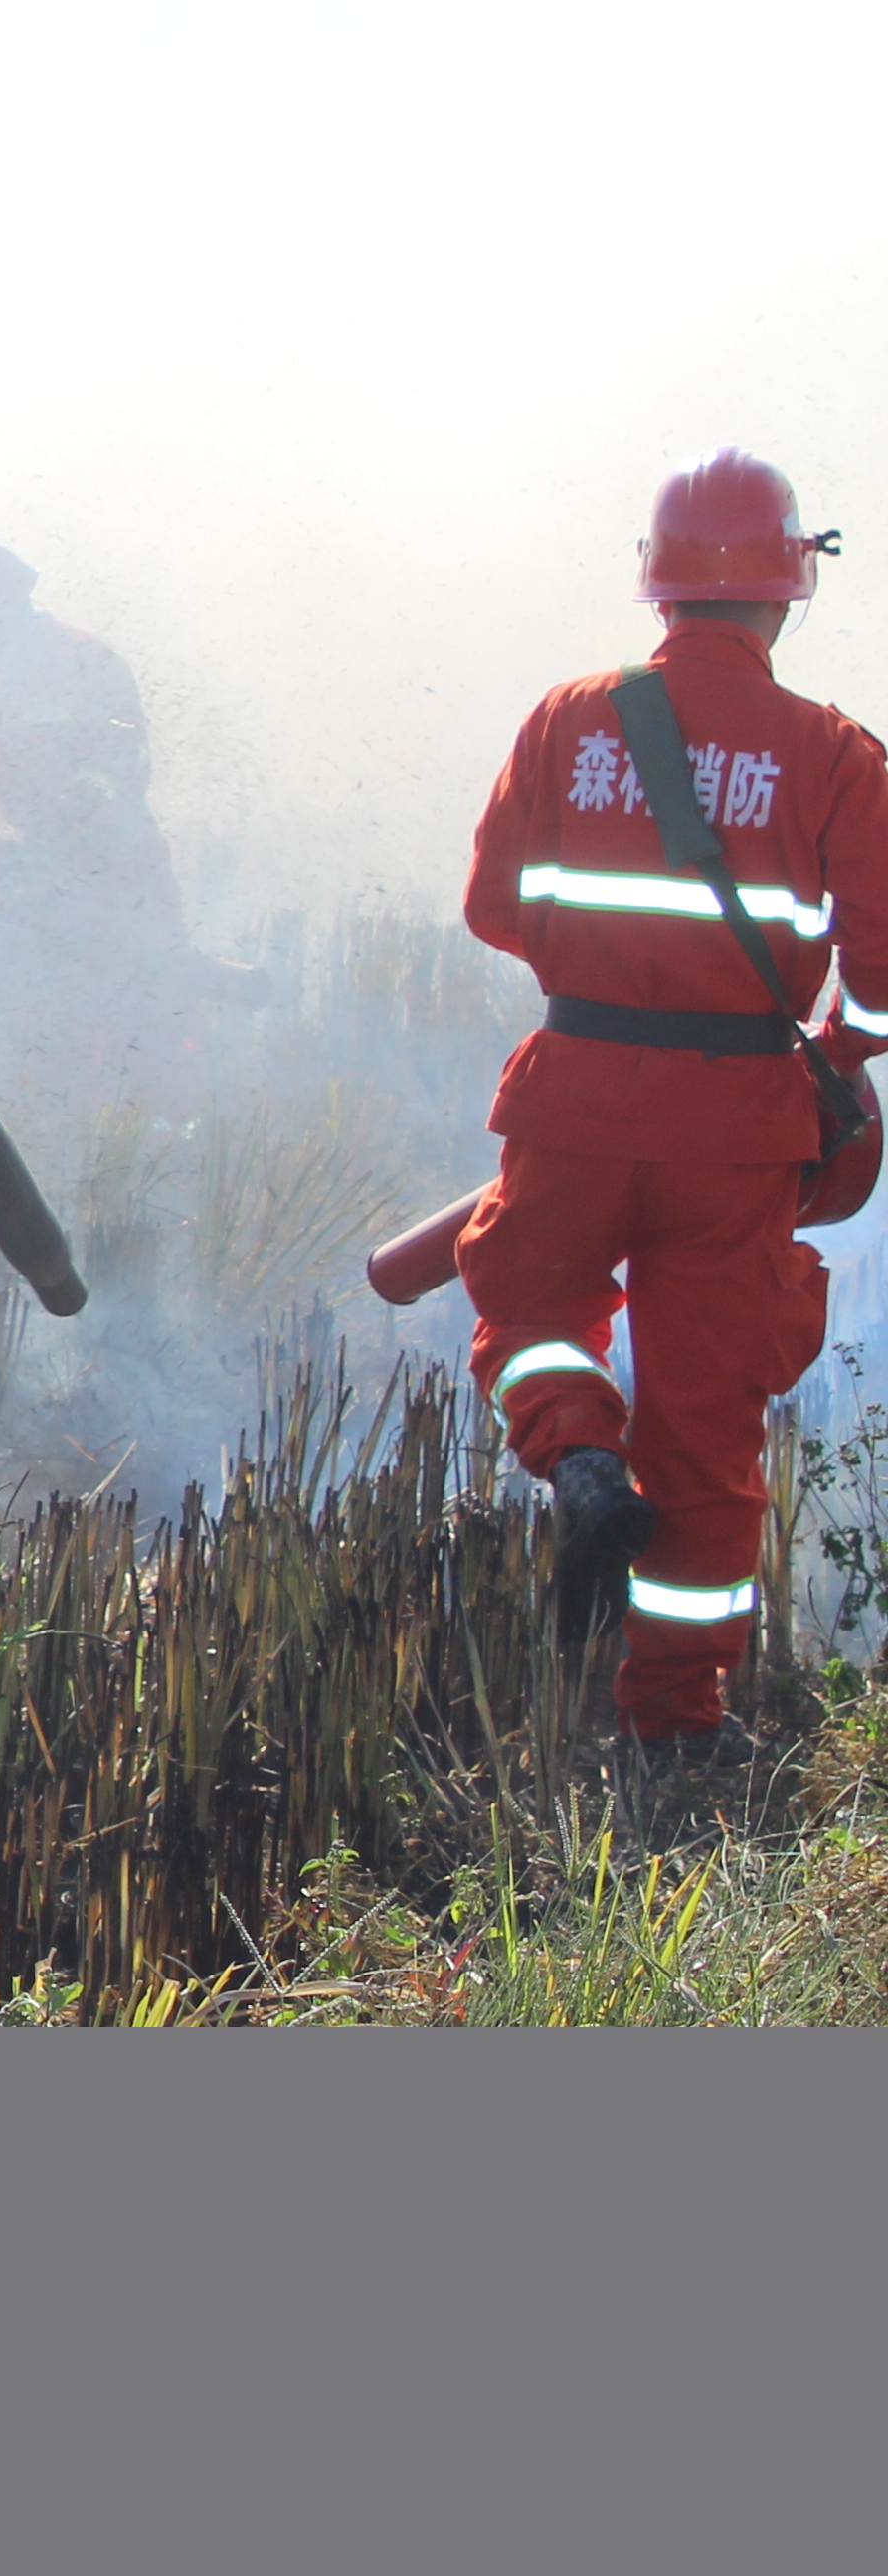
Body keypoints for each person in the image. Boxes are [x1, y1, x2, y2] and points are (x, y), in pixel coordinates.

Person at [457, 453, 888, 1770]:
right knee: (706, 1430)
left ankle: (578, 1449)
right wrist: (845, 1050)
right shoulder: (831, 753)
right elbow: (881, 965)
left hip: (578, 1091)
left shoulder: (568, 719)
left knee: (530, 1310)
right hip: (743, 1127)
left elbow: (491, 906)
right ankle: (679, 1725)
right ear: (788, 589)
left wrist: (601, 979)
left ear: (658, 583)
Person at [0, 538, 174, 931]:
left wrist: (61, 836)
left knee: (146, 977)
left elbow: (121, 766)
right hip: (46, 878)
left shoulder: (86, 664)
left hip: (122, 878)